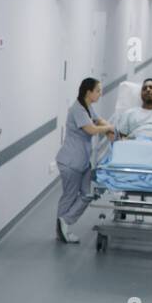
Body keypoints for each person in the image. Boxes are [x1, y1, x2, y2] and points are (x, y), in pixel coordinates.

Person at [54, 78, 115, 244]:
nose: (100, 94)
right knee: (70, 196)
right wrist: (107, 129)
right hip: (71, 161)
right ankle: (64, 227)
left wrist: (111, 127)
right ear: (89, 92)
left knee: (87, 194)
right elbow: (91, 129)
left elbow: (98, 120)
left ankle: (63, 224)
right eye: (98, 91)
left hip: (82, 161)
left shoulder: (87, 107)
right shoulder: (77, 110)